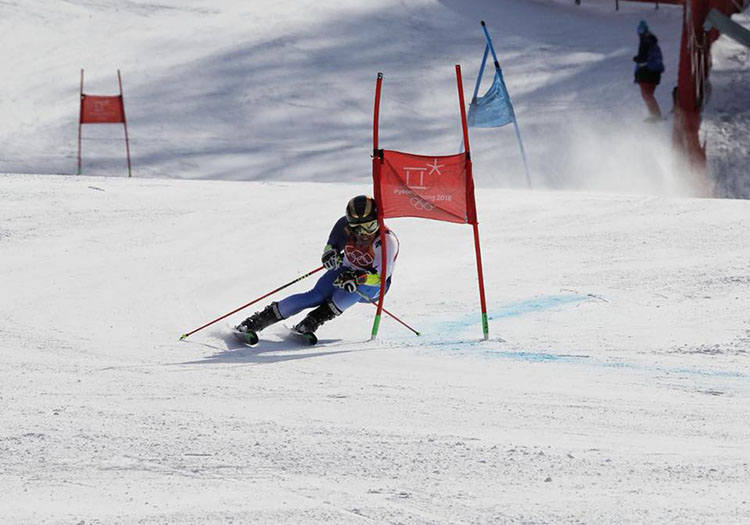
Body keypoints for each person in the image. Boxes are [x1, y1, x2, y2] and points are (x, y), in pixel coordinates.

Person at [235, 195, 399, 345]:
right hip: (347, 270)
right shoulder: (344, 226)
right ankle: (256, 322)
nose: (363, 233)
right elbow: (331, 247)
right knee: (315, 296)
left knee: (346, 295)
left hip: (374, 286)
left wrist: (359, 278)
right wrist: (330, 255)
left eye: (369, 226)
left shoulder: (387, 241)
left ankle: (312, 321)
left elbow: (380, 277)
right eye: (357, 228)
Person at [633, 19, 665, 122]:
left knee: (646, 94)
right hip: (654, 73)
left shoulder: (645, 41)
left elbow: (642, 57)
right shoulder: (652, 42)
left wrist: (636, 59)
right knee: (648, 94)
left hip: (646, 72)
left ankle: (655, 114)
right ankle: (654, 113)